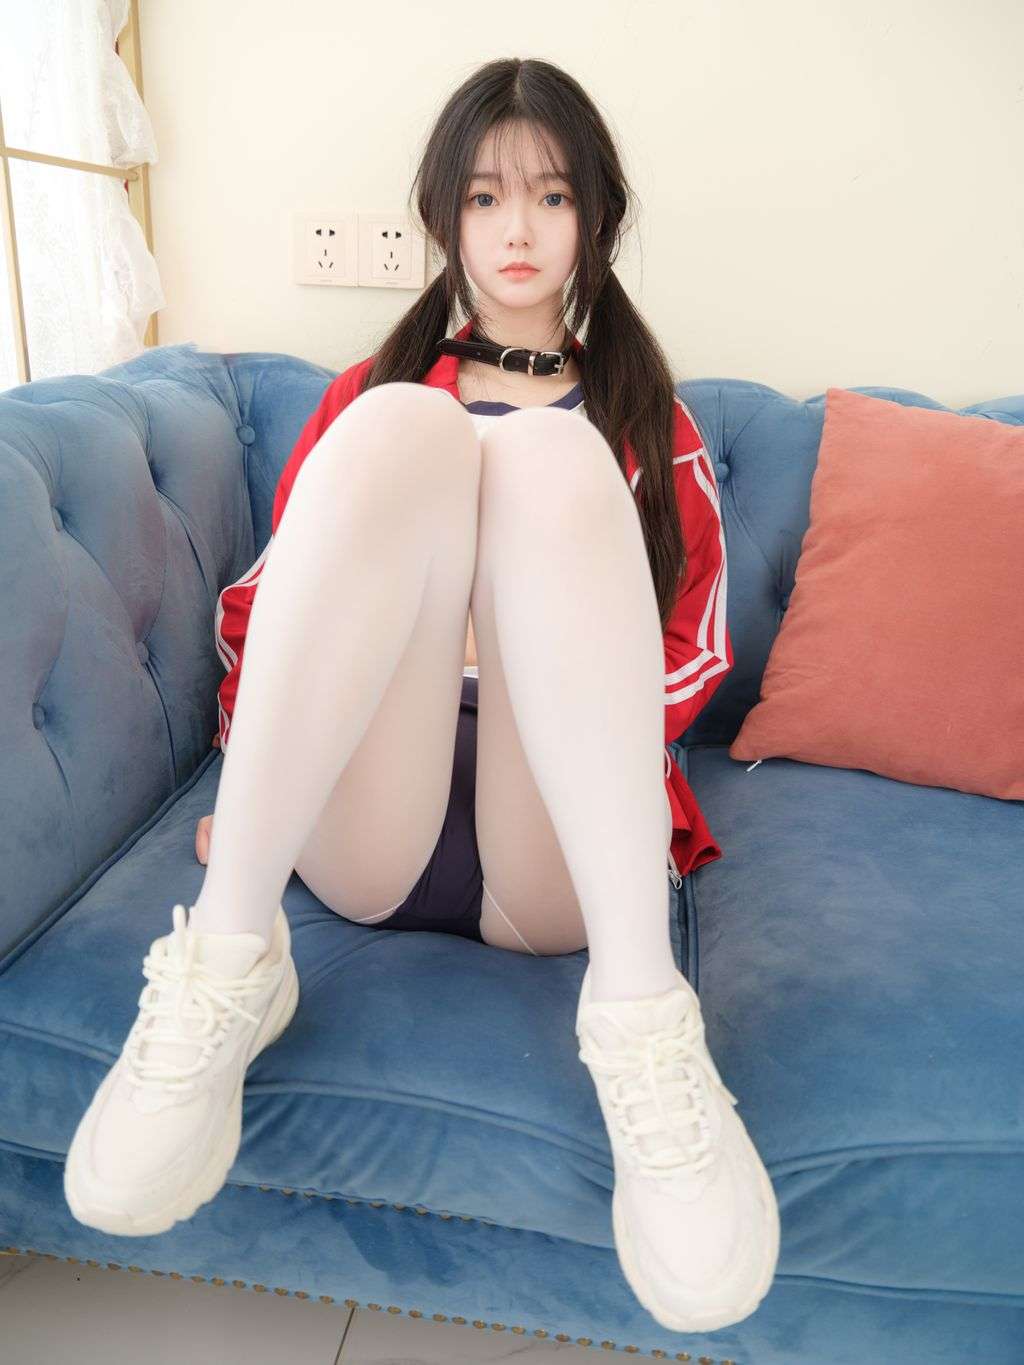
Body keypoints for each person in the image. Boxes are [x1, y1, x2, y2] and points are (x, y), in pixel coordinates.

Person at [64, 57, 779, 1332]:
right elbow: (265, 612)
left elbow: (692, 651)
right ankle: (228, 957)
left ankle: (642, 1020)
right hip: (375, 820)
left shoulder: (642, 420)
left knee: (552, 459)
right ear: (444, 215)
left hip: (551, 834)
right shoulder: (373, 394)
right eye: (486, 197)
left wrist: (540, 673)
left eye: (551, 197)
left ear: (595, 218)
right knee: (404, 428)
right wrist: (259, 802)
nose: (517, 229)